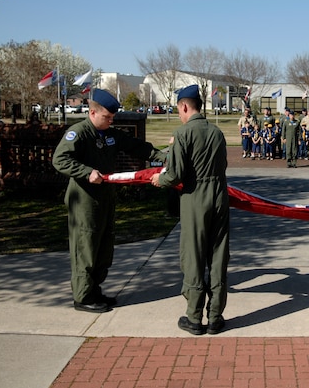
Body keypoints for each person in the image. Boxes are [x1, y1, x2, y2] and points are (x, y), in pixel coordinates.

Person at [52, 89, 165, 313]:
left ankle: (95, 290)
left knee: (103, 246)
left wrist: (165, 157)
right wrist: (85, 172)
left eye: (112, 117)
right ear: (93, 113)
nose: (111, 120)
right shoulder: (79, 133)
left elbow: (138, 148)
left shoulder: (110, 134)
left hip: (104, 197)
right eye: (107, 117)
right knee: (86, 247)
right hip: (84, 200)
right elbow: (59, 159)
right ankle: (83, 297)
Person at [150, 84, 229, 335]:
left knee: (193, 255)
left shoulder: (183, 133)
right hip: (219, 196)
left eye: (179, 110)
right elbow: (223, 164)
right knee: (218, 255)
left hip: (195, 197)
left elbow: (175, 174)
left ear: (184, 106)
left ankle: (194, 317)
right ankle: (216, 316)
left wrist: (159, 180)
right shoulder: (217, 132)